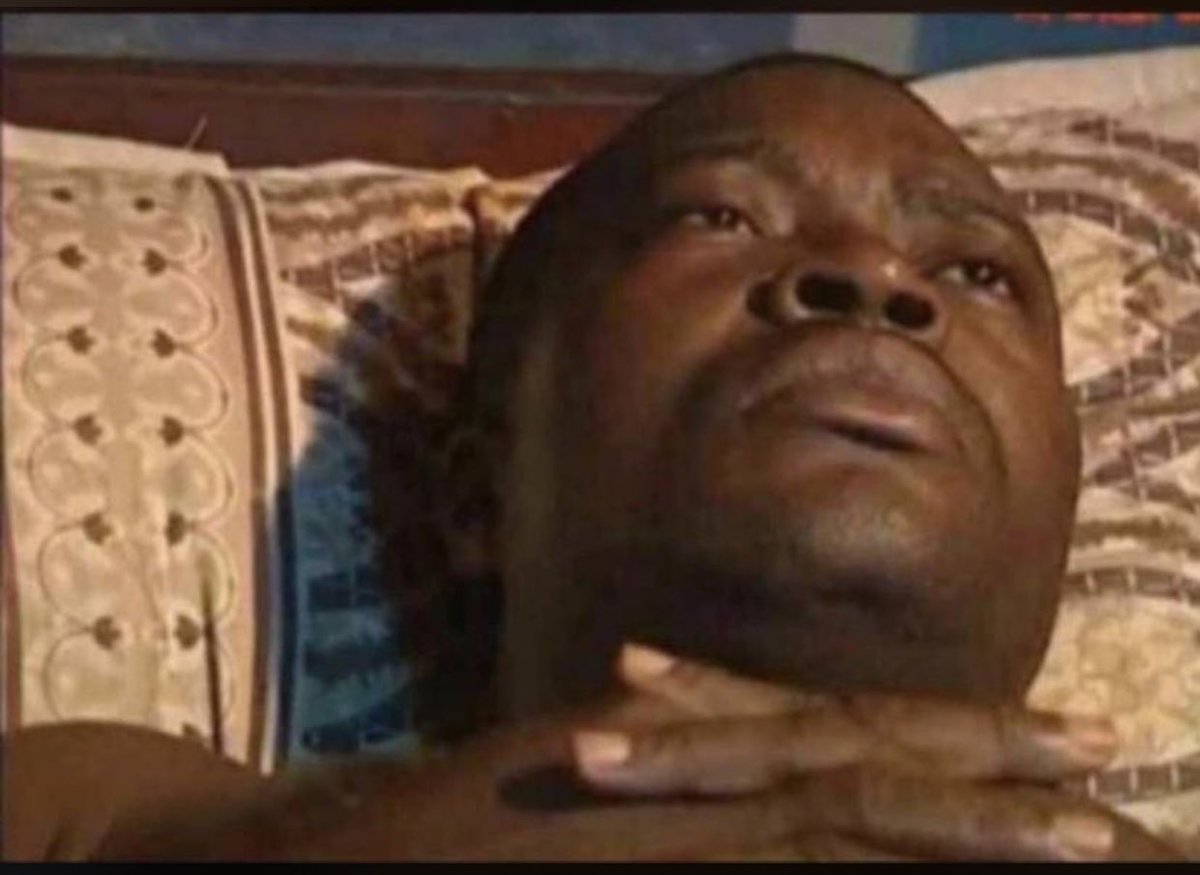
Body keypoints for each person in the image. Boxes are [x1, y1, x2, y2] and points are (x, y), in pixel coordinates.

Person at [2, 52, 1186, 861]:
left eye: (978, 270)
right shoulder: (100, 817)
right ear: (477, 491)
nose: (876, 276)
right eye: (720, 214)